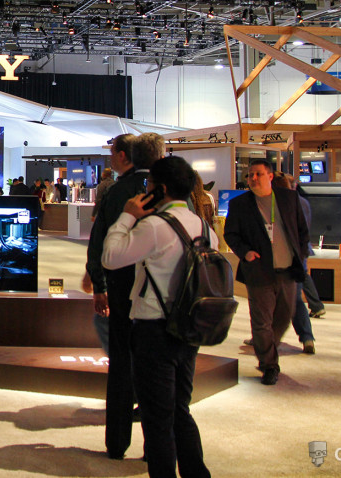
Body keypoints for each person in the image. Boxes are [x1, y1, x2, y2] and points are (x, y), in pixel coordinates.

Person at [102, 155, 214, 478]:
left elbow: (111, 256)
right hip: (190, 327)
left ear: (160, 189)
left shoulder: (154, 227)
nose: (145, 189)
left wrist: (127, 216)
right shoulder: (204, 227)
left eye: (149, 184)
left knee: (157, 417)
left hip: (154, 330)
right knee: (180, 409)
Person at [85, 132, 162, 461]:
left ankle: (116, 444)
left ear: (126, 155)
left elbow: (99, 242)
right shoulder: (168, 193)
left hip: (121, 289)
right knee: (156, 370)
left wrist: (99, 285)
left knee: (121, 365)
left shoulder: (117, 192)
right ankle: (156, 447)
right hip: (160, 294)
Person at [223, 160, 308, 386]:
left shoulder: (289, 199)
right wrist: (245, 253)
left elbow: (302, 230)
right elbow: (230, 234)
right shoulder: (240, 204)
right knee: (261, 322)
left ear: (270, 176)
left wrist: (299, 253)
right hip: (259, 271)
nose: (253, 178)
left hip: (287, 270)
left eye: (258, 174)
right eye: (250, 175)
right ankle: (269, 364)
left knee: (283, 317)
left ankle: (268, 349)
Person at [274, 175, 318, 355]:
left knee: (271, 300)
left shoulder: (279, 204)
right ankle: (307, 337)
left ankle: (267, 337)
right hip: (300, 255)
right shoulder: (303, 202)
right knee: (296, 299)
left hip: (284, 256)